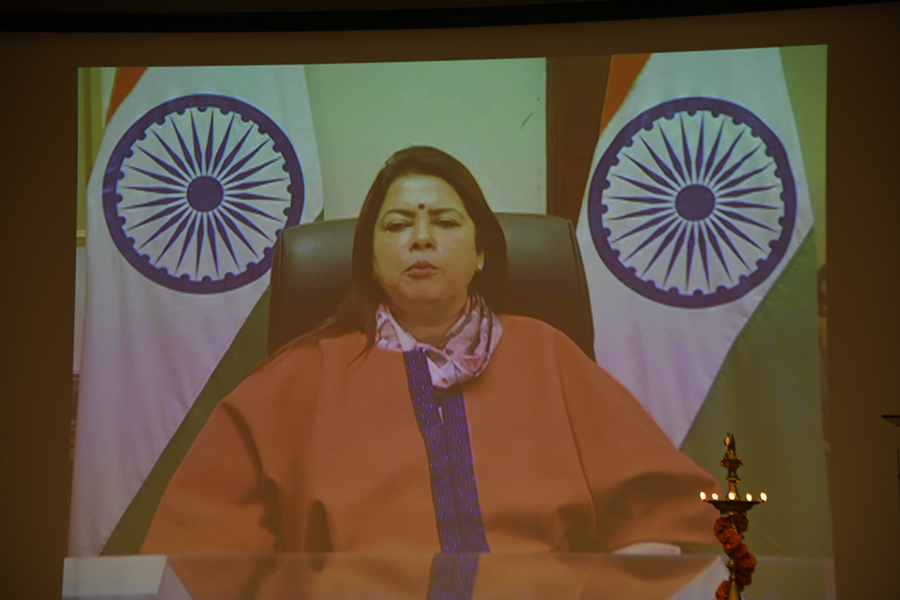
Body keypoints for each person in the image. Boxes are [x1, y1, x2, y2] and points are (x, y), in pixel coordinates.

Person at [141, 146, 719, 555]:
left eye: (444, 222)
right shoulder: (297, 377)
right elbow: (202, 545)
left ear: (481, 252)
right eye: (397, 226)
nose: (421, 238)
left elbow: (663, 506)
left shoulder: (550, 355)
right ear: (370, 258)